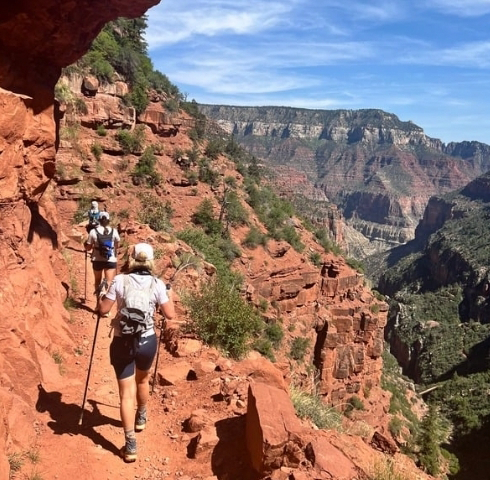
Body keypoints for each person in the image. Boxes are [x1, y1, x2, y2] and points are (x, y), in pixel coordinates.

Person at [98, 243, 175, 462]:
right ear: (151, 261)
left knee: (125, 394)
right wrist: (169, 292)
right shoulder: (157, 284)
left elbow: (103, 309)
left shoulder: (119, 281)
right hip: (147, 340)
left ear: (131, 259)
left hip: (123, 342)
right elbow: (170, 314)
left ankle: (130, 444)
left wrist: (103, 292)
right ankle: (141, 415)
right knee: (143, 381)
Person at [84, 212, 120, 305]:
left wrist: (85, 245)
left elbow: (88, 248)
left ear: (98, 220)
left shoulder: (93, 232)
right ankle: (104, 306)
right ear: (108, 220)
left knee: (97, 280)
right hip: (110, 260)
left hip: (97, 260)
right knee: (108, 282)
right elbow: (116, 246)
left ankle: (97, 303)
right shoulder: (114, 231)